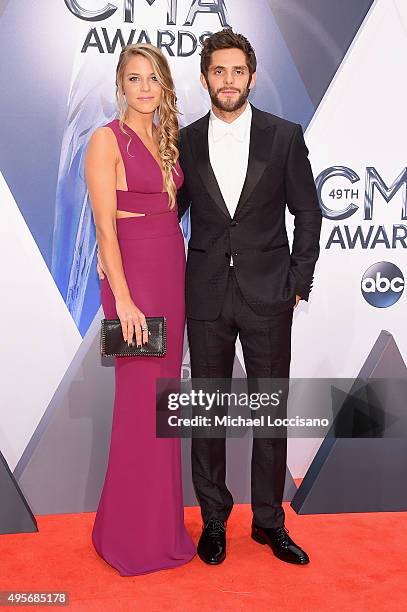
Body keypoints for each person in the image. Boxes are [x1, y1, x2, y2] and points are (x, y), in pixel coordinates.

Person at [176, 29, 322, 566]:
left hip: (268, 294)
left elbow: (308, 211)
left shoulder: (285, 136)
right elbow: (172, 216)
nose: (229, 80)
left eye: (238, 71)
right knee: (208, 413)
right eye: (219, 71)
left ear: (252, 77)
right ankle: (214, 520)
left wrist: (297, 282)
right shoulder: (186, 141)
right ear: (205, 78)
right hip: (206, 294)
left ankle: (268, 523)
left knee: (268, 413)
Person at [85, 43, 196, 576]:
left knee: (163, 403)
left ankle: (158, 526)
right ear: (121, 85)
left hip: (169, 271)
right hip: (133, 279)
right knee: (139, 404)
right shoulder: (105, 140)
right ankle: (129, 537)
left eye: (154, 79)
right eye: (135, 79)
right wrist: (124, 299)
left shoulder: (166, 138)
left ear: (164, 85)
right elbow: (105, 229)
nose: (145, 88)